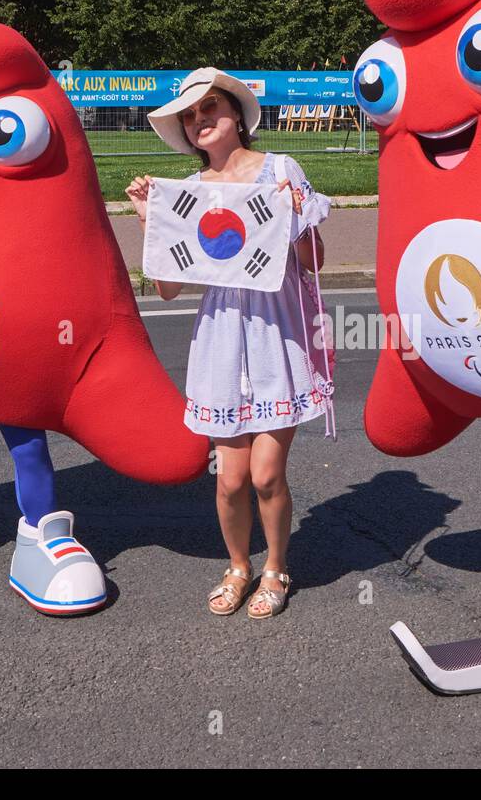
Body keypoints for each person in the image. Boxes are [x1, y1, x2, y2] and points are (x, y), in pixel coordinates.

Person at [126, 68, 332, 619]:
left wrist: (296, 214)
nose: (199, 121)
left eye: (209, 108)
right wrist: (150, 220)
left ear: (236, 114)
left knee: (266, 474)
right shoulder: (188, 195)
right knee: (229, 480)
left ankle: (276, 568)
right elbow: (168, 290)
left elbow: (314, 263)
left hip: (275, 333)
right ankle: (238, 566)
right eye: (190, 116)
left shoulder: (279, 170)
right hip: (220, 338)